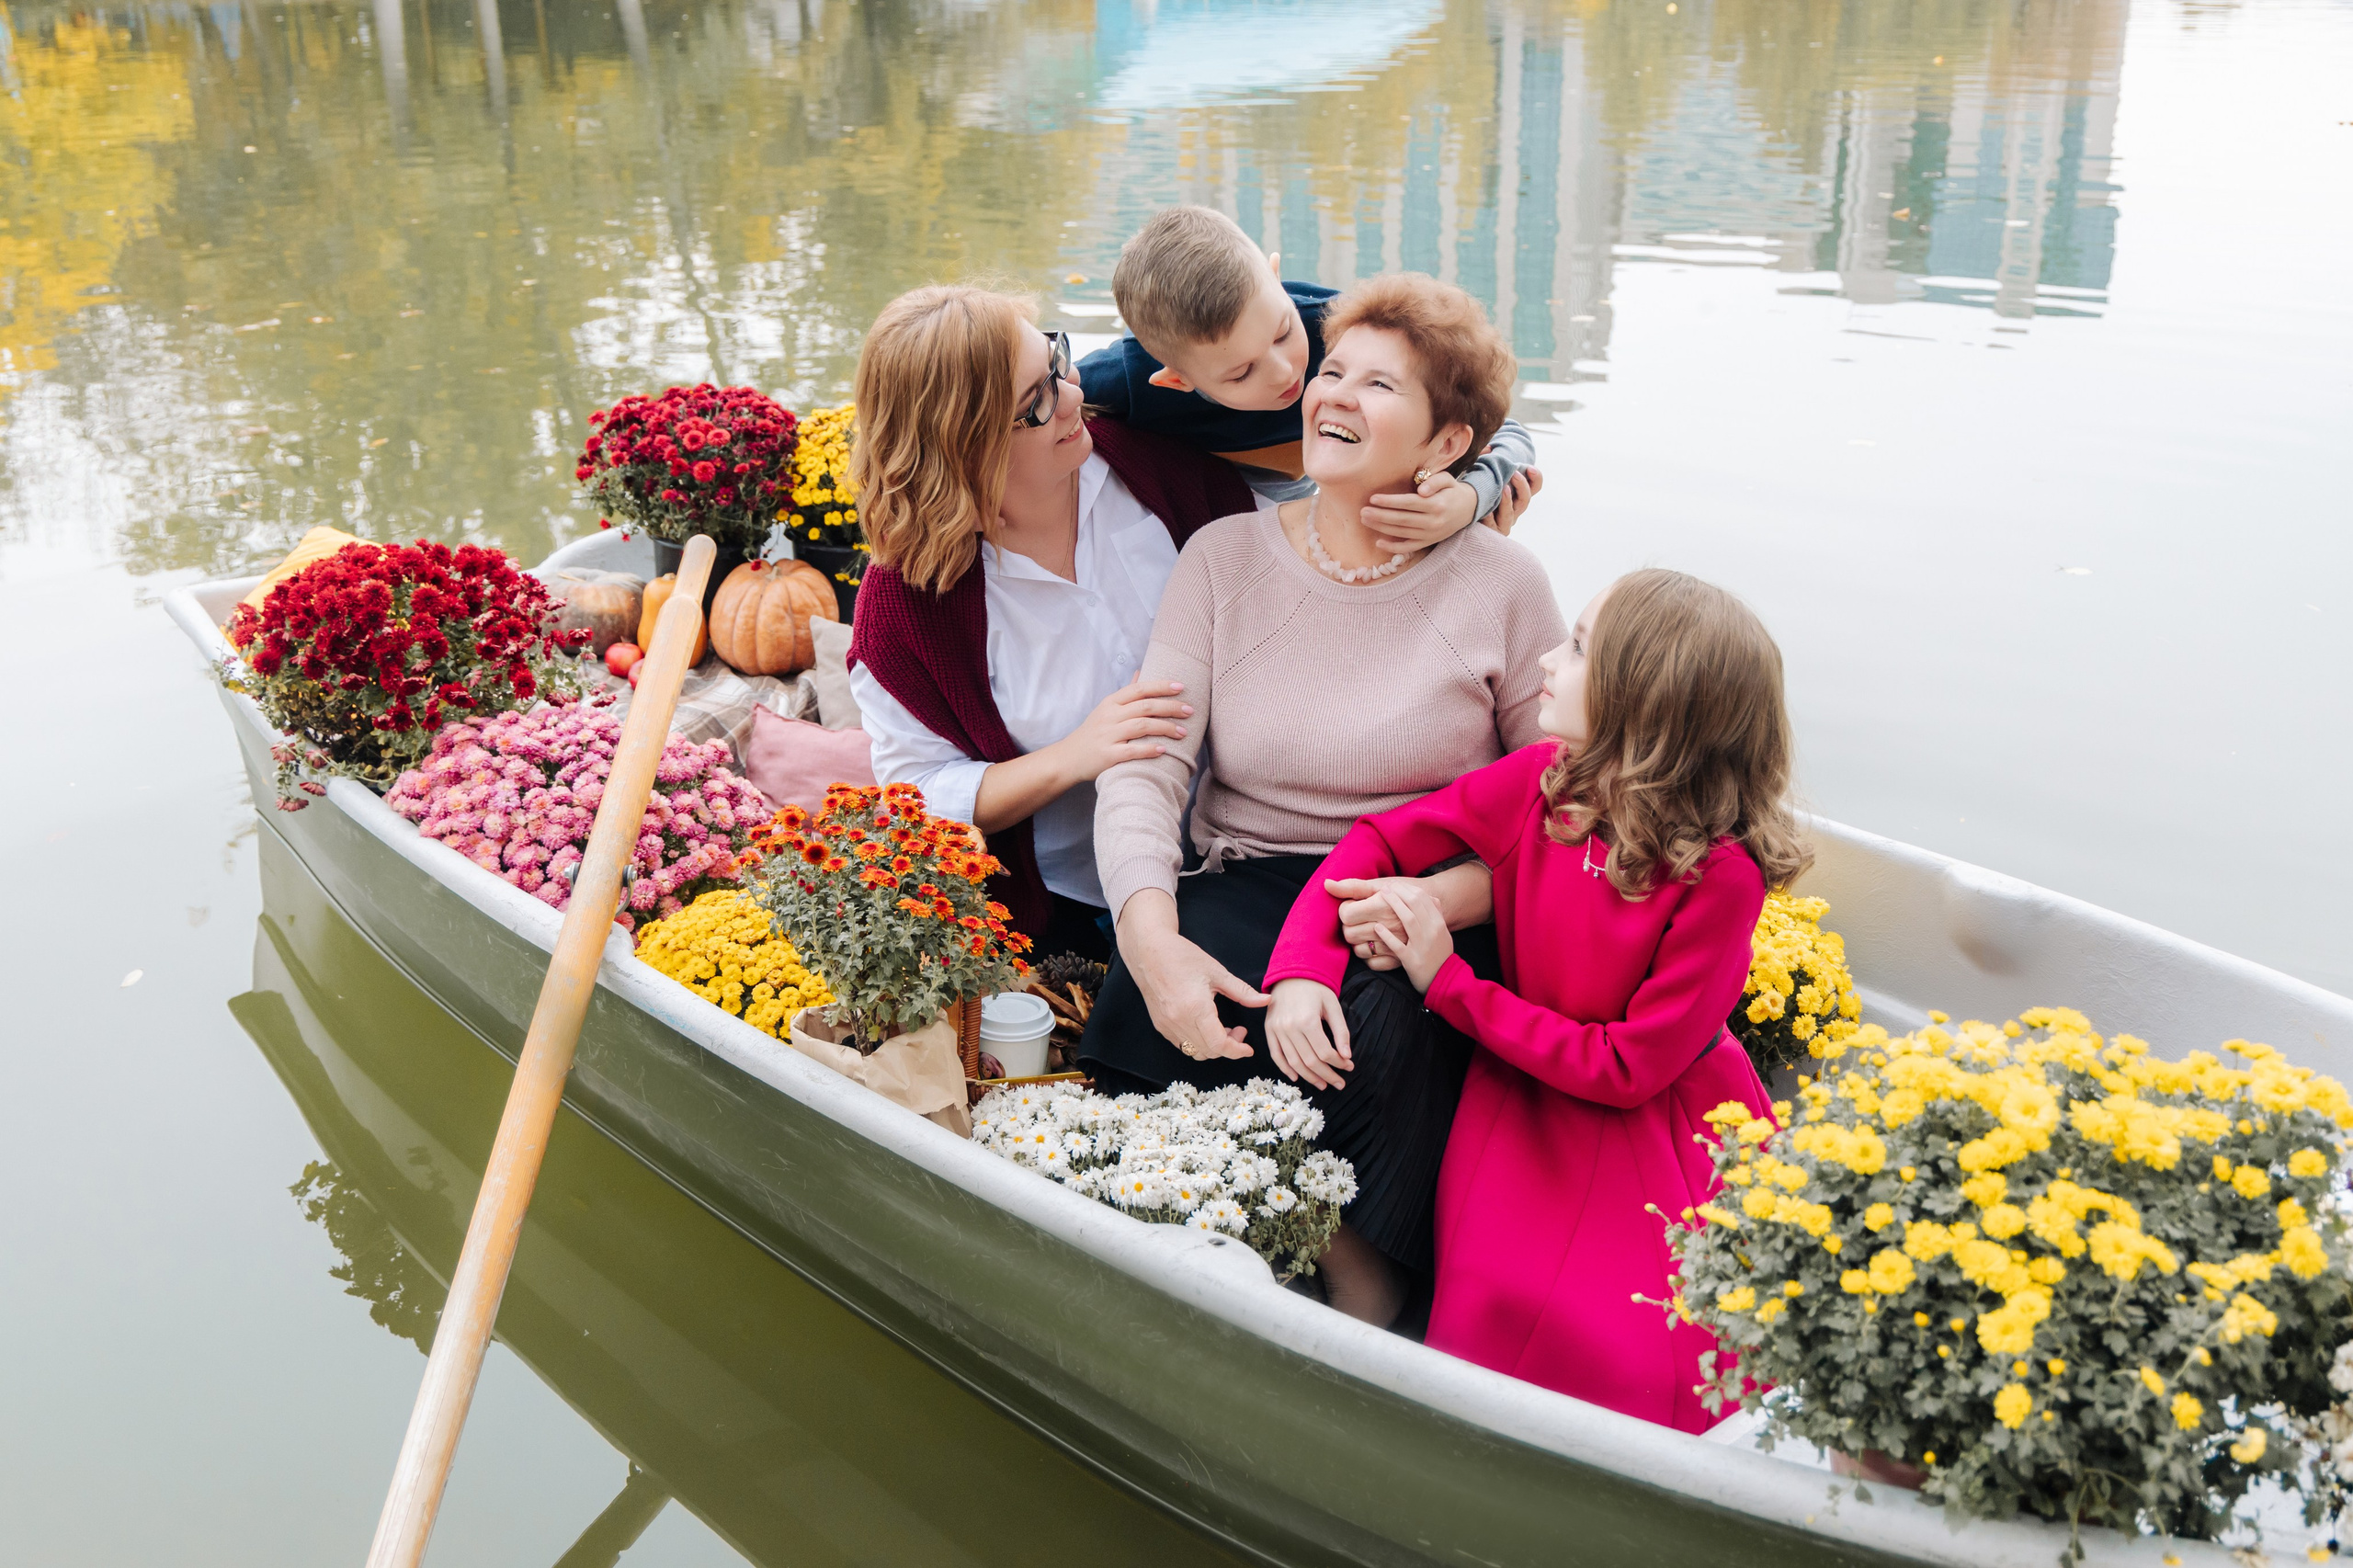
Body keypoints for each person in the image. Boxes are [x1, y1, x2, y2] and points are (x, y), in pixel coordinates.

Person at [1079, 273, 1567, 1324]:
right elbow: (1148, 765)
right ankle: (1189, 1246)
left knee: (1379, 1017)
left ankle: (1368, 1286)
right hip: (1248, 871)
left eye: (1377, 384)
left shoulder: (1504, 586)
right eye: (1330, 370)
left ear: (1447, 446)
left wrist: (1445, 904)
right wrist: (1149, 929)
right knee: (1171, 980)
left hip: (1420, 891)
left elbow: (1562, 807)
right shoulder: (1224, 558)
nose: (1332, 395)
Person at [1262, 569, 1810, 1431]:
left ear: (1646, 698)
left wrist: (1449, 982)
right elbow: (1377, 840)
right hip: (1520, 1094)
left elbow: (1629, 1066)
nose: (1548, 661)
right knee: (1488, 1308)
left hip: (1657, 1121)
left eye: (1579, 648)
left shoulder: (1722, 876)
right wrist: (1303, 968)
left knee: (1652, 1351)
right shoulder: (1542, 784)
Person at [845, 284, 1261, 956]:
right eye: (1034, 402)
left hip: (1254, 856)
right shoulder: (905, 605)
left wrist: (1469, 487)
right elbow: (916, 791)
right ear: (964, 448)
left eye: (1056, 362)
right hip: (1076, 910)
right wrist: (1071, 758)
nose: (1072, 398)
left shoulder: (1155, 464)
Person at [1079, 205, 1541, 547]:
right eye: (1241, 373)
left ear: (1277, 279)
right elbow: (1027, 382)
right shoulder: (1128, 379)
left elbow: (1506, 430)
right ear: (1178, 381)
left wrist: (1467, 501)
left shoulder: (1344, 327)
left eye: (1282, 333)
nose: (1288, 374)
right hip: (1232, 526)